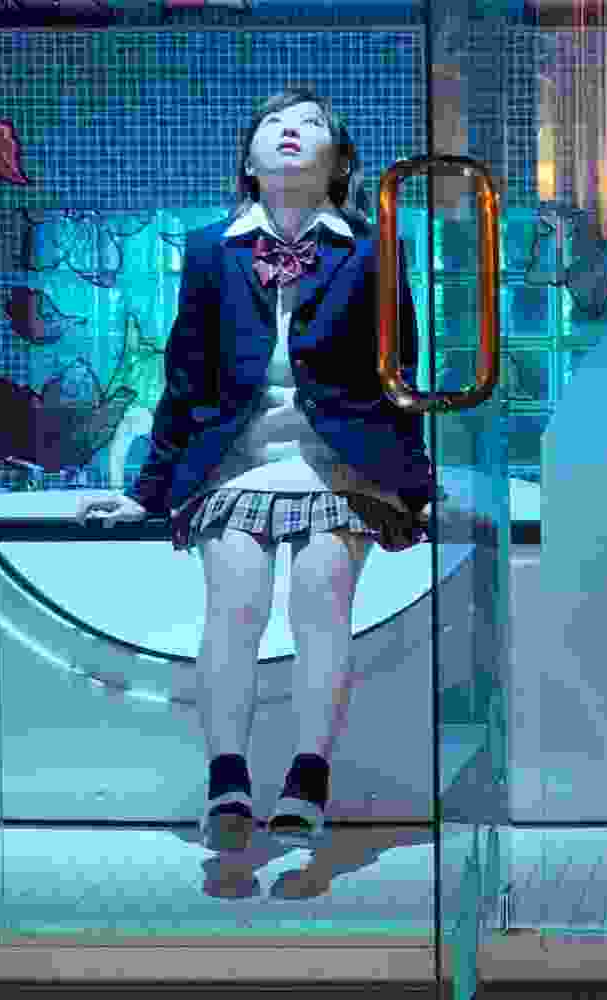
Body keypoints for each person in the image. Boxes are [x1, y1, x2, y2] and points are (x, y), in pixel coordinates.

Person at [74, 88, 435, 853]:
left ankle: (309, 777)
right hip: (236, 462)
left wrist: (415, 484)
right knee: (235, 598)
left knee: (321, 591)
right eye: (275, 122)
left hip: (337, 464)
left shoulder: (374, 249)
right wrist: (148, 492)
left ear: (339, 163)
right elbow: (186, 379)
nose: (291, 130)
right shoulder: (212, 250)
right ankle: (227, 781)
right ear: (249, 160)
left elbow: (399, 378)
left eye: (310, 123)